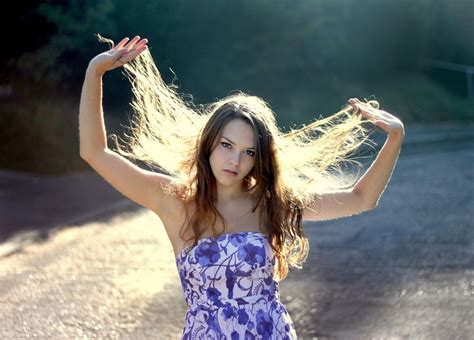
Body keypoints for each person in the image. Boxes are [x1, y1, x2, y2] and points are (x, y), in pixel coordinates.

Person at [79, 35, 405, 339]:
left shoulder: (269, 204)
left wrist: (395, 137)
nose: (235, 160)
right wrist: (95, 72)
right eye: (226, 145)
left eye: (248, 152)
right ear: (208, 144)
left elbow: (361, 198)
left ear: (258, 158)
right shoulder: (172, 201)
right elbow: (94, 152)